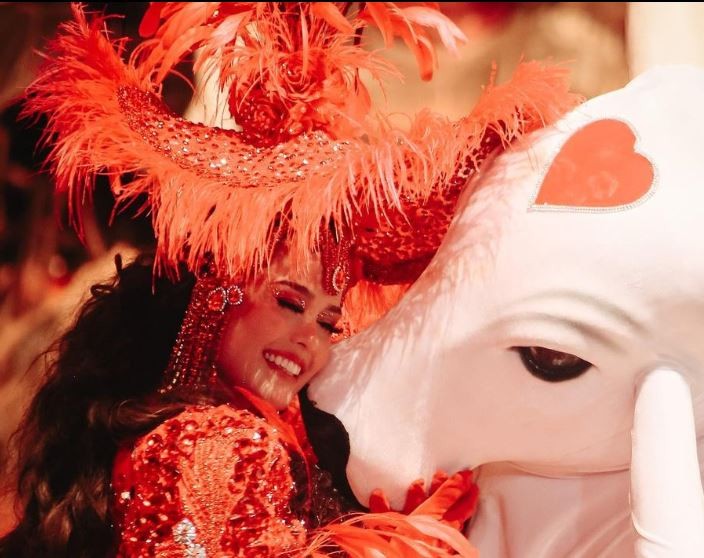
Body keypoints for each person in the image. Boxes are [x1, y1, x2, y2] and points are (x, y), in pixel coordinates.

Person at [0, 2, 577, 556]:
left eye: (330, 320)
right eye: (289, 301)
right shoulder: (221, 442)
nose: (311, 338)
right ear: (215, 292)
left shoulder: (183, 426)